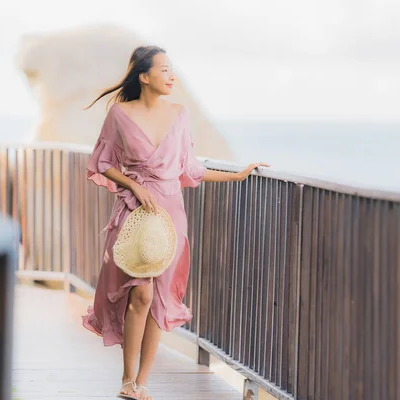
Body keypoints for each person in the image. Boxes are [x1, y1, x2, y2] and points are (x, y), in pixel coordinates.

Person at [81, 45, 269, 400]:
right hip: (135, 212)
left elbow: (190, 168)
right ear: (144, 76)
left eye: (171, 70)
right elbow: (102, 162)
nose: (172, 76)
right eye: (164, 70)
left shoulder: (180, 114)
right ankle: (126, 378)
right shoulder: (119, 114)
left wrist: (238, 175)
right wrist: (133, 184)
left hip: (171, 214)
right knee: (141, 292)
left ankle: (142, 382)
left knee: (159, 300)